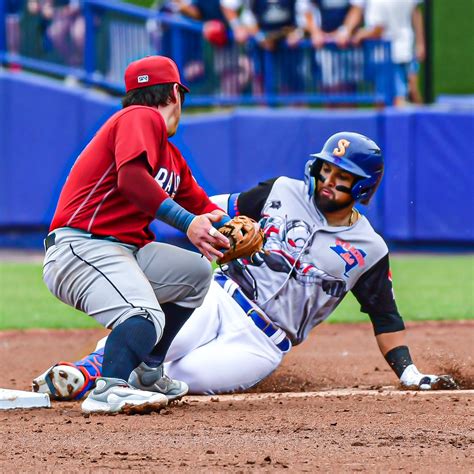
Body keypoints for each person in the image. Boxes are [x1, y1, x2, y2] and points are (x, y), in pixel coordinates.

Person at [34, 131, 457, 400]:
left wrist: (409, 373)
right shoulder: (280, 191)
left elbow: (385, 317)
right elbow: (209, 210)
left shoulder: (369, 248)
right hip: (220, 298)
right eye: (326, 169)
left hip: (262, 344)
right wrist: (196, 230)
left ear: (362, 187)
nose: (329, 180)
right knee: (165, 336)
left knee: (188, 377)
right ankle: (83, 374)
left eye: (341, 176)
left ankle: (120, 382)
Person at [39, 55, 230, 414]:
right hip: (82, 247)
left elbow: (207, 210)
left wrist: (239, 230)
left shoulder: (169, 156)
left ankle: (147, 371)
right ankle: (108, 389)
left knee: (195, 274)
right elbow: (132, 181)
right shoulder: (138, 118)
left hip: (123, 252)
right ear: (176, 92)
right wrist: (189, 224)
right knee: (144, 314)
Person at [339, 0, 425, 106]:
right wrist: (420, 43)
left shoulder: (377, 3)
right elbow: (415, 12)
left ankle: (415, 120)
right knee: (411, 93)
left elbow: (377, 29)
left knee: (392, 99)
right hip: (405, 50)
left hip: (387, 56)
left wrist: (358, 35)